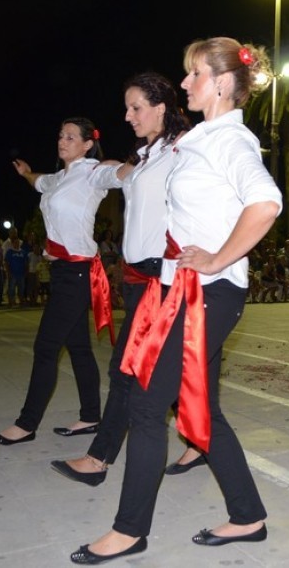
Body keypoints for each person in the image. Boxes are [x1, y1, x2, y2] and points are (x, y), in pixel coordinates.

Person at [71, 37, 281, 564]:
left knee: (146, 405)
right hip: (182, 289)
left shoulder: (230, 142)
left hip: (207, 291)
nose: (184, 83)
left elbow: (266, 203)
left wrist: (216, 258)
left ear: (223, 83)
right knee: (201, 406)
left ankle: (129, 530)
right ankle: (247, 515)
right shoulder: (202, 139)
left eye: (194, 75)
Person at [50, 72, 196, 487]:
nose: (128, 115)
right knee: (182, 371)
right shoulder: (145, 156)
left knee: (126, 370)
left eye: (136, 107)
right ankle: (204, 440)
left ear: (161, 108)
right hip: (135, 280)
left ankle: (99, 459)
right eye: (127, 107)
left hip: (159, 279)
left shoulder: (180, 151)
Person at [0, 117, 115, 446]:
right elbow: (38, 181)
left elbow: (116, 171)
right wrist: (26, 172)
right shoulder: (58, 178)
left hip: (76, 273)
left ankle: (26, 424)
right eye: (60, 135)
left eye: (71, 136)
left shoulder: (92, 173)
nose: (62, 140)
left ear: (87, 144)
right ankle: (90, 416)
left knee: (46, 348)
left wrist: (138, 159)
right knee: (79, 349)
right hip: (61, 273)